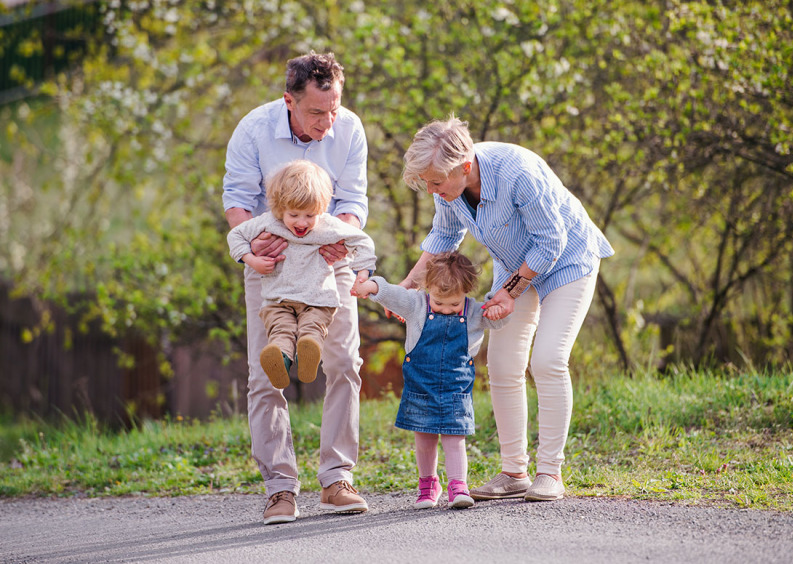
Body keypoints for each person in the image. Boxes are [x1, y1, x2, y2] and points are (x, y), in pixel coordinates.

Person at [396, 116, 614, 502]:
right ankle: (514, 471)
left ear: (464, 166)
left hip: (567, 260)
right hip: (516, 265)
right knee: (502, 364)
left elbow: (551, 240)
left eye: (435, 181)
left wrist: (511, 292)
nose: (430, 189)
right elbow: (445, 235)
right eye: (426, 182)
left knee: (547, 359)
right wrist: (409, 285)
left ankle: (550, 472)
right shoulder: (446, 185)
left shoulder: (518, 171)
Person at [222, 52, 370, 525]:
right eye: (315, 112)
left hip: (330, 257)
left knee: (344, 361)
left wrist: (339, 240)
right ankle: (280, 489)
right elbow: (237, 200)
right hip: (272, 265)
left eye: (333, 109)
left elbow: (352, 200)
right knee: (266, 374)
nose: (328, 122)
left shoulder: (348, 128)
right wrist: (254, 250)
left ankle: (337, 479)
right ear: (289, 100)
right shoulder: (253, 129)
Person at [351, 251, 508, 510]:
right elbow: (392, 293)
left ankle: (458, 486)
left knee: (454, 438)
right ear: (427, 289)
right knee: (424, 439)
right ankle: (428, 485)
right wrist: (371, 286)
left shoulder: (474, 312)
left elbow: (501, 320)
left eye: (454, 304)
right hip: (420, 387)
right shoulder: (417, 304)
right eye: (439, 302)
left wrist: (500, 309)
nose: (446, 309)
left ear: (467, 293)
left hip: (456, 390)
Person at [227, 160, 376, 391]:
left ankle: (309, 350)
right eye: (294, 214)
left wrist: (363, 272)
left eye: (310, 215)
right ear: (279, 208)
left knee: (312, 328)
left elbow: (362, 240)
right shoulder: (269, 222)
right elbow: (235, 236)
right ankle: (280, 358)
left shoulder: (328, 226)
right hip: (278, 301)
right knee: (280, 332)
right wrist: (252, 260)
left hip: (317, 300)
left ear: (322, 208)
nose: (302, 222)